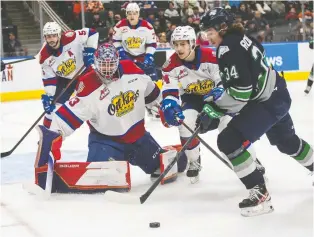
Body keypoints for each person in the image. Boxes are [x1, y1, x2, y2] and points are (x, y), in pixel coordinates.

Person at [197, 7, 313, 217]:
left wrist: (215, 108)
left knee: (229, 141)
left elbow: (241, 93)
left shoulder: (227, 48)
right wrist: (222, 92)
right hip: (278, 93)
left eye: (210, 31)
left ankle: (260, 194)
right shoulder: (243, 38)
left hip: (267, 101)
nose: (207, 37)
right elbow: (247, 77)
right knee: (287, 141)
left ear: (222, 27)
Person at [35, 44, 186, 192]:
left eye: (111, 64)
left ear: (118, 61)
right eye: (103, 64)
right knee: (100, 180)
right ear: (95, 63)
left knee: (167, 168)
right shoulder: (87, 85)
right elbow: (66, 119)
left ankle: (176, 152)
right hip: (106, 142)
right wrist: (53, 136)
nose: (107, 70)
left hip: (139, 138)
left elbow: (154, 96)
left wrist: (166, 108)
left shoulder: (132, 70)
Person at [160, 26, 264, 184]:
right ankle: (194, 160)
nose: (179, 48)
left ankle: (253, 161)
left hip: (218, 99)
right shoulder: (170, 65)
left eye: (183, 44)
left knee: (229, 129)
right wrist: (169, 105)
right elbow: (170, 91)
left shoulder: (212, 56)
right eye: (176, 44)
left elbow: (224, 83)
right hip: (193, 100)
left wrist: (217, 96)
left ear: (193, 43)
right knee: (185, 123)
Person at [39, 22, 99, 128]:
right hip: (66, 79)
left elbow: (92, 33)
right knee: (52, 107)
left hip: (84, 72)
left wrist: (90, 52)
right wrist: (49, 97)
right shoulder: (44, 56)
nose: (51, 39)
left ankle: (100, 128)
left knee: (92, 102)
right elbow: (49, 79)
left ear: (59, 35)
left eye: (54, 36)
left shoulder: (71, 37)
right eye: (48, 37)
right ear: (45, 37)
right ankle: (46, 134)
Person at [112, 3, 157, 82]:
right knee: (125, 81)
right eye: (129, 13)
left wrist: (149, 56)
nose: (132, 16)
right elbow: (115, 40)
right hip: (126, 56)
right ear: (126, 14)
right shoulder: (120, 25)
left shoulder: (147, 26)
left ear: (138, 14)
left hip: (142, 57)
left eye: (135, 13)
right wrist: (121, 52)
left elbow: (152, 44)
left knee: (153, 80)